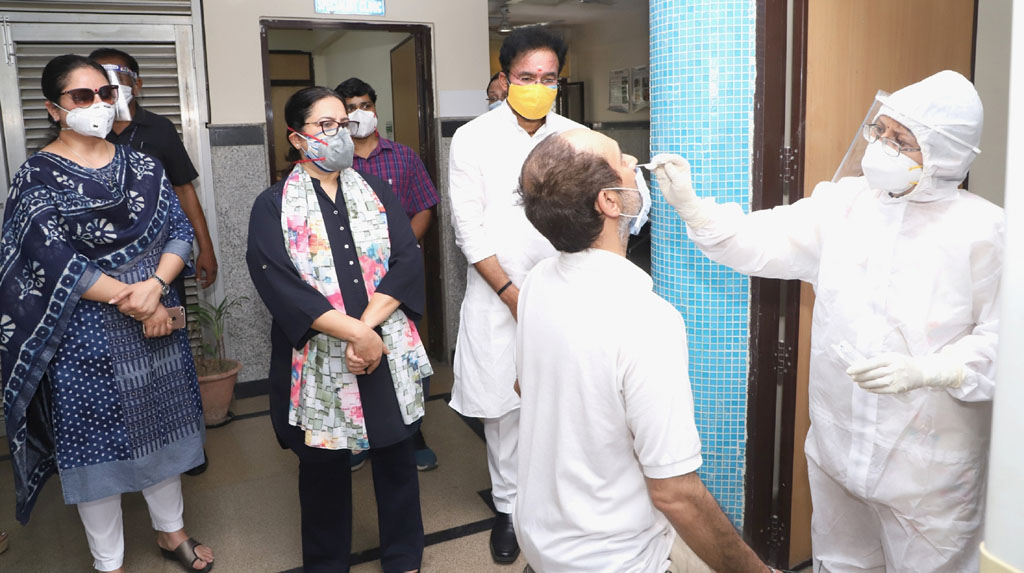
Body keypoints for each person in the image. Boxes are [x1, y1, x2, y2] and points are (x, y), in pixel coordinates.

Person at [655, 70, 1001, 571]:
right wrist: (694, 209)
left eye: (903, 141)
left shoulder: (984, 231)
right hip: (839, 446)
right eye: (881, 131)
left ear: (945, 154)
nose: (883, 147)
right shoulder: (846, 204)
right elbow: (763, 240)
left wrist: (936, 371)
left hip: (929, 465)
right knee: (841, 562)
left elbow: (1006, 338)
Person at [513, 128, 776, 573]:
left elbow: (527, 386)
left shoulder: (538, 280)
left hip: (543, 539)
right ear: (609, 203)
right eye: (622, 161)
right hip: (612, 560)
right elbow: (675, 493)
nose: (635, 163)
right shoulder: (645, 319)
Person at [0, 54, 212, 573]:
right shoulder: (36, 176)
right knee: (94, 444)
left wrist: (157, 287)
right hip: (83, 333)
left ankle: (171, 533)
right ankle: (108, 560)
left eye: (106, 93)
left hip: (157, 317)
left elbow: (179, 230)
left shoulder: (143, 165)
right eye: (82, 96)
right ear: (54, 108)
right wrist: (133, 297)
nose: (98, 104)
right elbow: (47, 256)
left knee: (165, 426)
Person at [246, 86, 431, 573]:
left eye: (343, 123)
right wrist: (351, 334)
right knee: (323, 469)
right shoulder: (272, 206)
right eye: (325, 125)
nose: (339, 133)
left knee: (395, 457)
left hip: (382, 343)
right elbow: (280, 283)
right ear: (298, 137)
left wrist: (367, 330)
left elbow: (407, 261)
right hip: (318, 355)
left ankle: (404, 557)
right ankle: (327, 563)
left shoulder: (377, 190)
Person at [447, 25, 584, 564]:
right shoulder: (474, 137)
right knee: (504, 410)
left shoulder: (574, 136)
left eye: (548, 78)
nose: (538, 85)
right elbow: (468, 229)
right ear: (504, 79)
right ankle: (507, 508)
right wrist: (509, 292)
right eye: (526, 77)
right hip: (494, 291)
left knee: (563, 403)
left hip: (564, 291)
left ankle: (553, 502)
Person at [90, 47, 218, 474]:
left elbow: (184, 191)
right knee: (116, 366)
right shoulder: (84, 133)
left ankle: (186, 448)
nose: (114, 88)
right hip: (104, 278)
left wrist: (205, 245)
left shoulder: (158, 130)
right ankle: (128, 452)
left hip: (164, 266)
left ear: (137, 84)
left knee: (171, 351)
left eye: (121, 77)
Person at [334, 76, 440, 472]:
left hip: (399, 276)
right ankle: (358, 439)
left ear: (376, 108)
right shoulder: (335, 162)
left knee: (405, 355)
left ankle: (413, 434)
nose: (360, 113)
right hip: (349, 279)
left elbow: (425, 205)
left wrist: (402, 250)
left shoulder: (403, 157)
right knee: (355, 353)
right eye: (350, 108)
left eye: (365, 104)